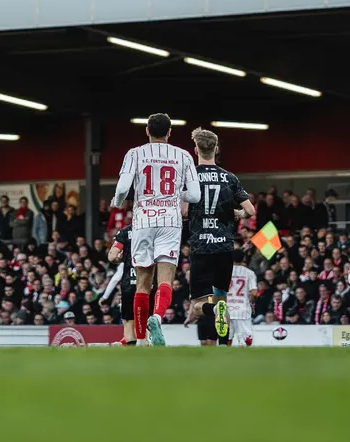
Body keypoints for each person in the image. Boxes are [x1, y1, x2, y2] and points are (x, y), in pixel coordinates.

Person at [110, 113, 198, 346]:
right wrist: (175, 194)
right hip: (170, 221)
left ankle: (140, 341)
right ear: (170, 132)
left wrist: (117, 202)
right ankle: (157, 317)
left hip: (143, 221)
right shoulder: (184, 155)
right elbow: (195, 195)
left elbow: (123, 187)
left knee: (142, 283)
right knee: (165, 280)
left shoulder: (134, 153)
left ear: (147, 131)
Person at [183, 127, 254, 346]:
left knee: (198, 306)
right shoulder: (229, 177)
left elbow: (184, 212)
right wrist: (238, 214)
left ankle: (214, 309)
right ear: (216, 149)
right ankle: (224, 345)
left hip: (201, 247)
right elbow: (250, 210)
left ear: (196, 150)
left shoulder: (190, 176)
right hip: (224, 247)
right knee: (222, 298)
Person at [102, 227, 136, 345]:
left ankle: (132, 350)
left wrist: (122, 257)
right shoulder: (152, 230)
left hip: (129, 284)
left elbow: (112, 257)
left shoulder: (125, 232)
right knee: (146, 319)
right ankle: (148, 347)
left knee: (129, 321)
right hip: (148, 283)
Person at [226, 257, 257, 347]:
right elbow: (254, 293)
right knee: (247, 338)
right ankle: (246, 351)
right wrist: (252, 303)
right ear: (243, 258)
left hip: (227, 307)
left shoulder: (224, 271)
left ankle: (227, 354)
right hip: (243, 308)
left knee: (228, 337)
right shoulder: (249, 273)